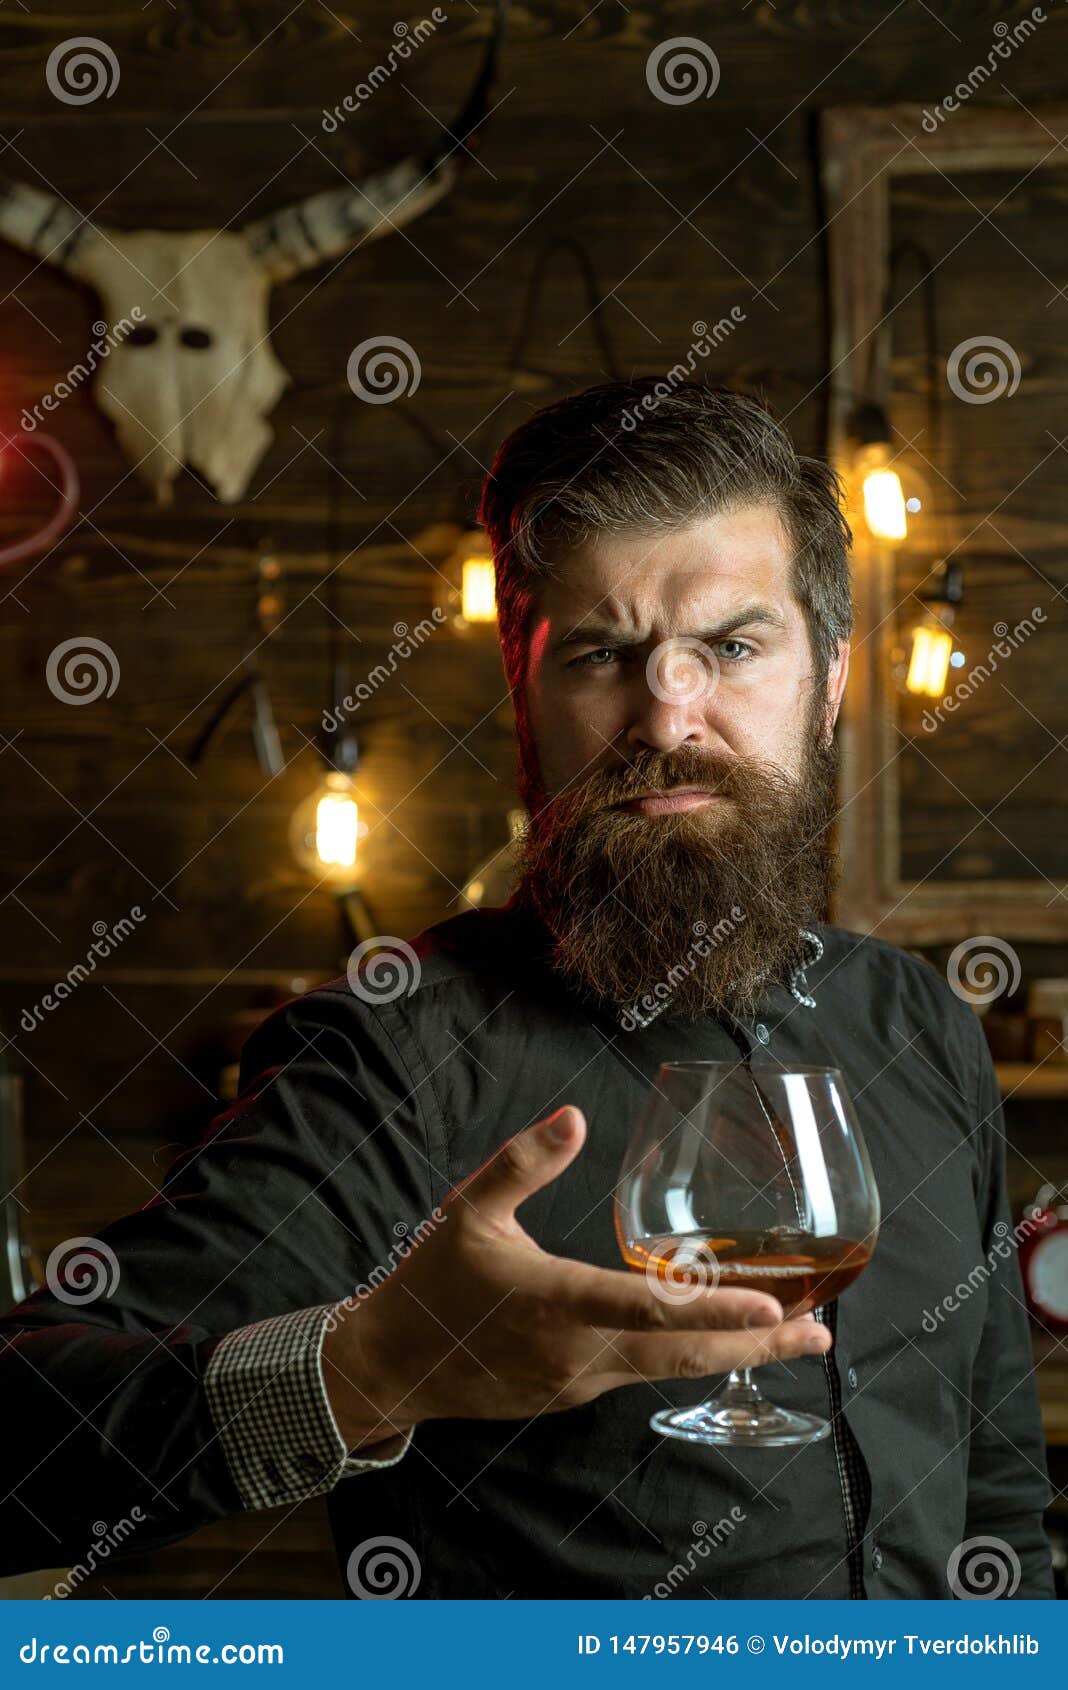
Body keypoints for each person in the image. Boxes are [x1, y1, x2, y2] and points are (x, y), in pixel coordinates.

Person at [0, 381, 1053, 1600]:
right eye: (604, 654)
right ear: (524, 693)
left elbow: (998, 1493)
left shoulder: (918, 1020)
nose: (669, 713)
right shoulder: (393, 1055)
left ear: (827, 685)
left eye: (733, 647)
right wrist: (368, 1370)